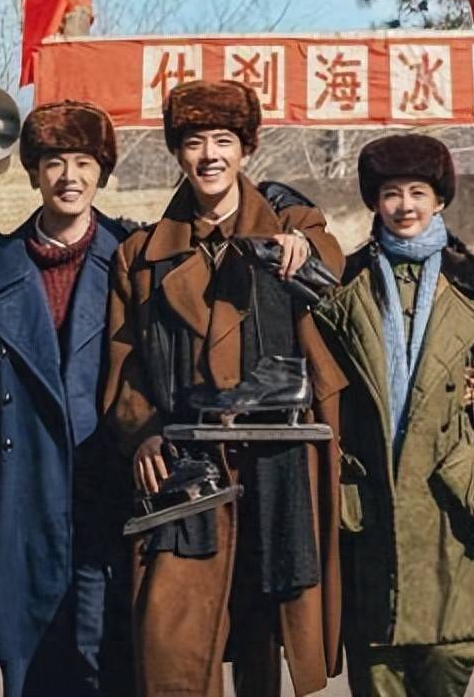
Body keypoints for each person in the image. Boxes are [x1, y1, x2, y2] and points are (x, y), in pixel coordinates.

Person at [103, 79, 346, 697]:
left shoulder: (290, 230)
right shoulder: (140, 255)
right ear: (176, 152)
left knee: (263, 631)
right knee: (178, 640)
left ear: (245, 149)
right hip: (186, 466)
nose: (209, 155)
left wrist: (303, 247)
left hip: (275, 465)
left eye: (223, 140)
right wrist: (142, 433)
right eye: (193, 142)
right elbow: (125, 363)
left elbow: (330, 260)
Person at [314, 134, 474, 696]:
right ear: (374, 200)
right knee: (377, 670)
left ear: (440, 200)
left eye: (418, 192)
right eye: (392, 192)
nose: (405, 205)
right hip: (371, 504)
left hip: (450, 502)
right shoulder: (345, 284)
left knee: (448, 660)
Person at [0, 100, 133, 696]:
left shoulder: (134, 258)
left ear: (101, 171)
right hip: (18, 491)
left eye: (83, 162)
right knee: (31, 662)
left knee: (104, 654)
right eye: (54, 162)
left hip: (105, 485)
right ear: (33, 172)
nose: (70, 177)